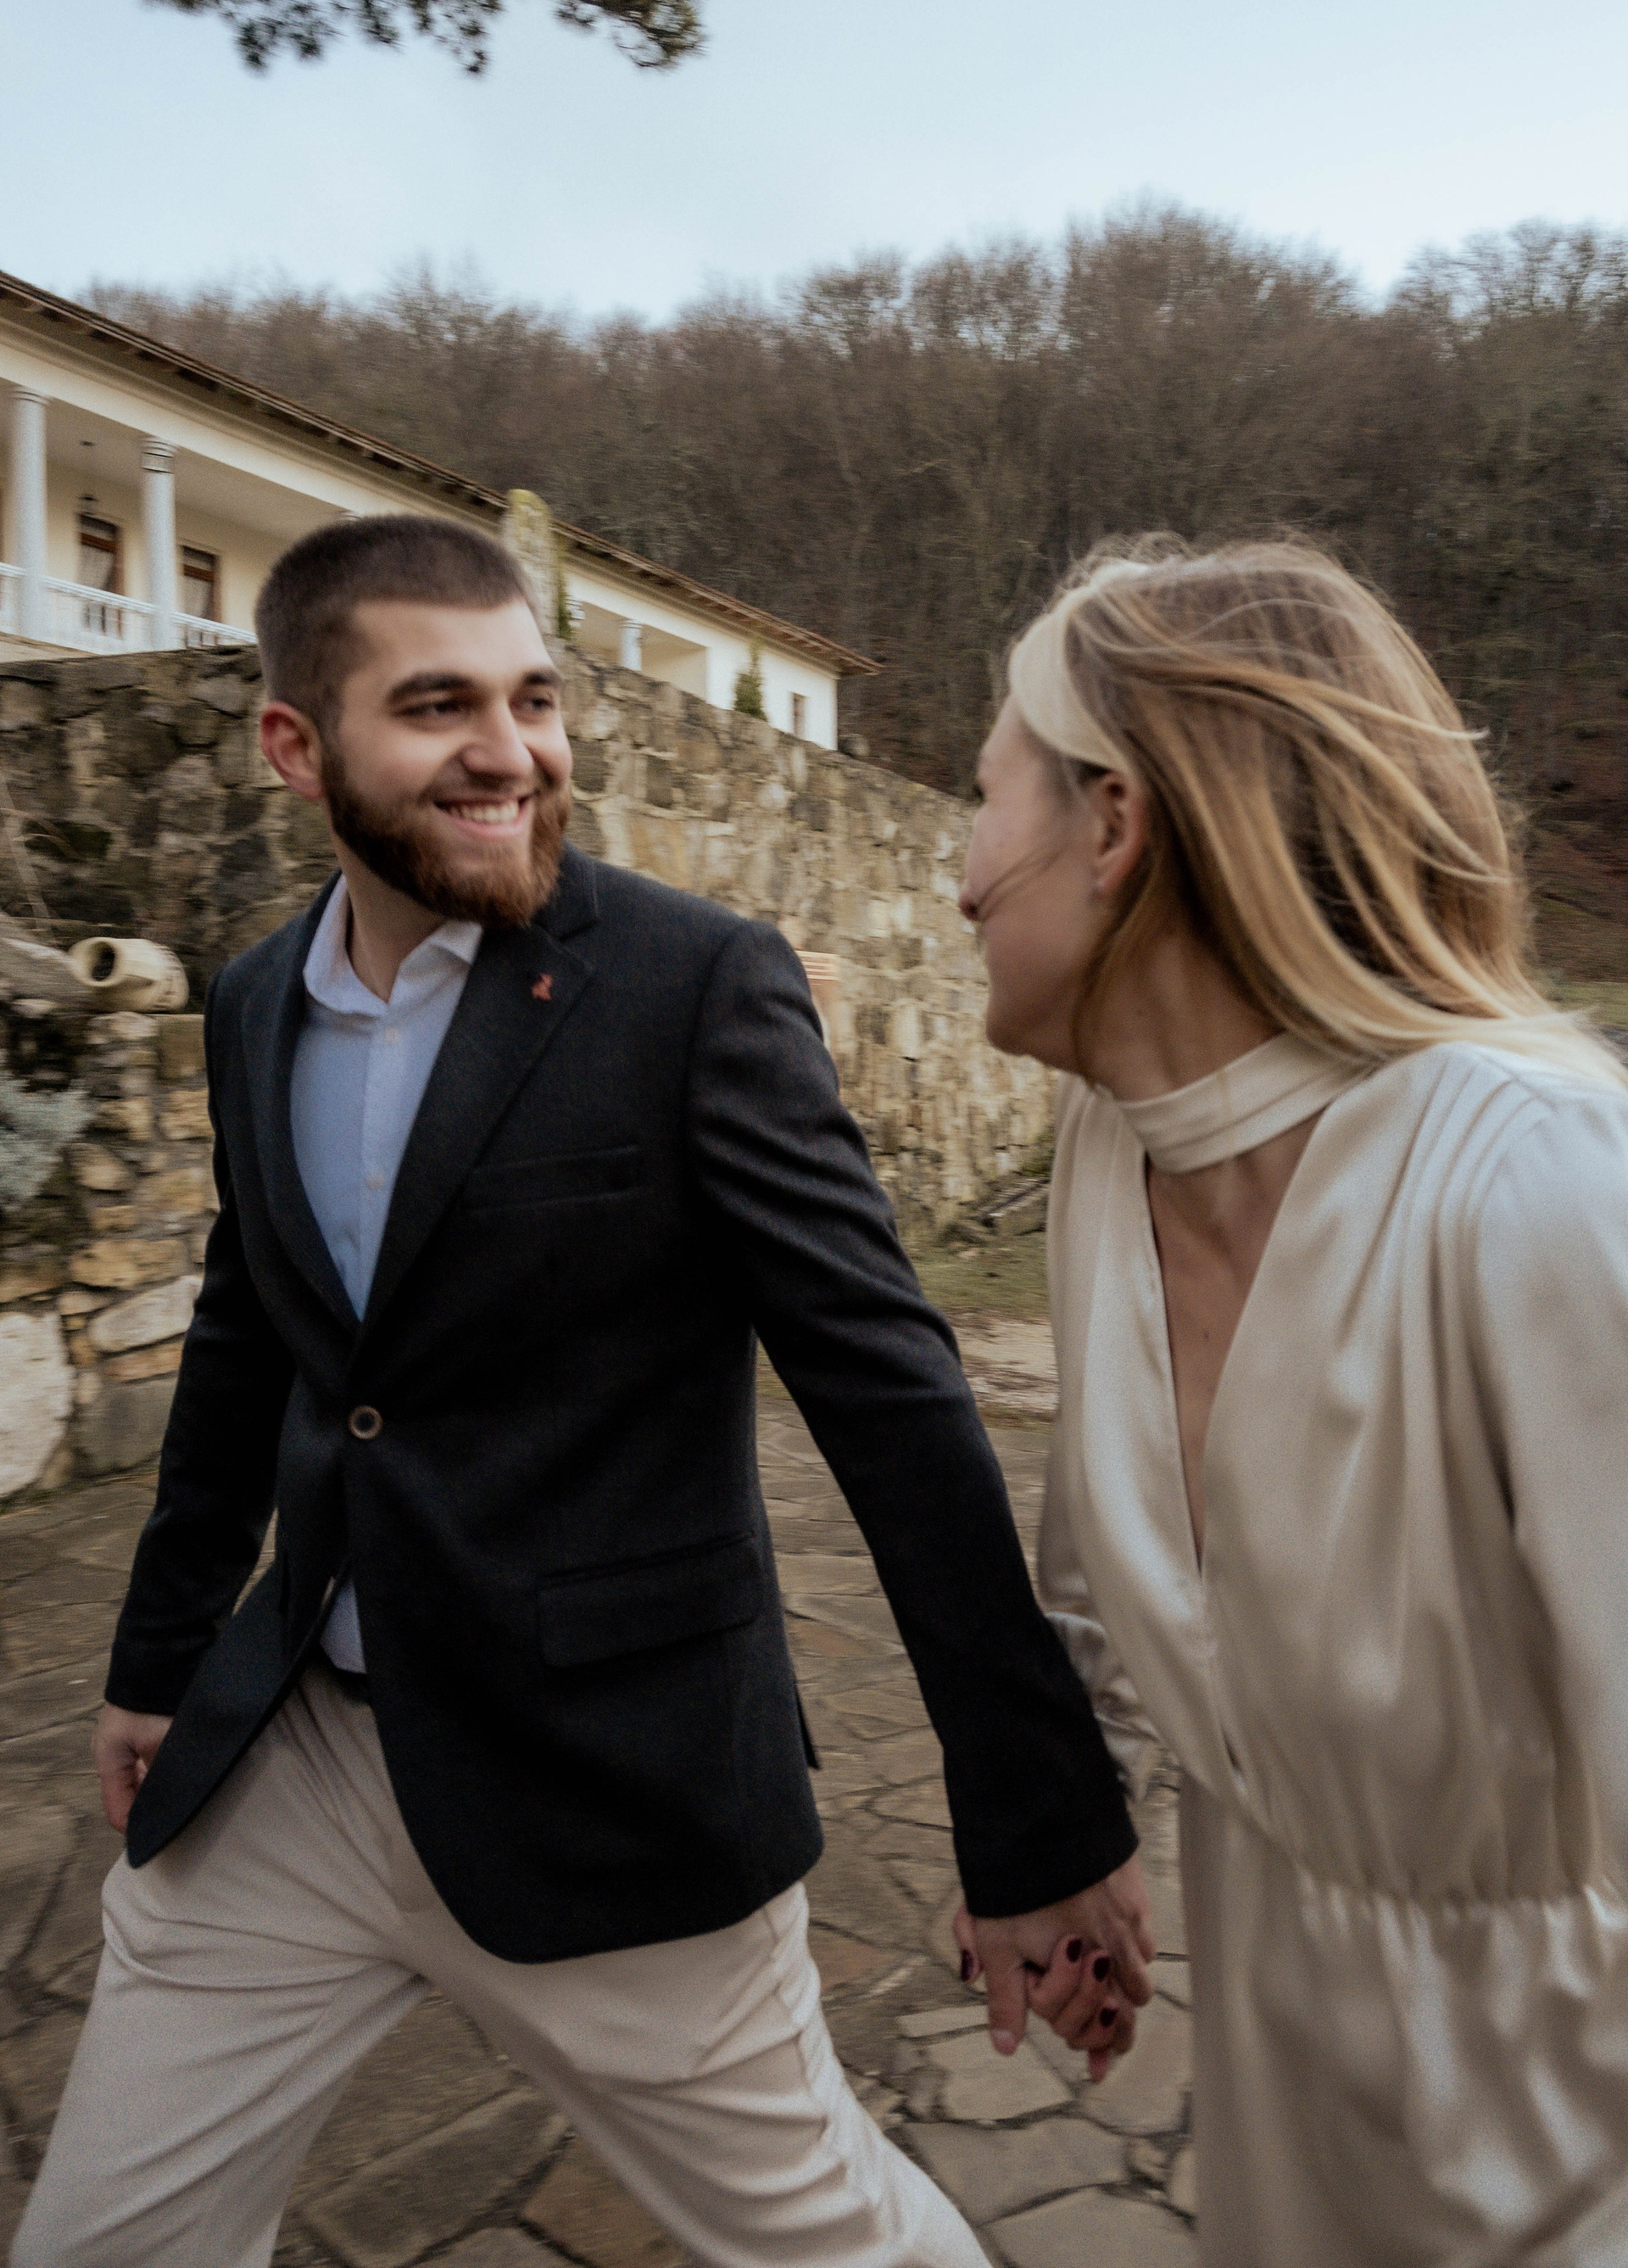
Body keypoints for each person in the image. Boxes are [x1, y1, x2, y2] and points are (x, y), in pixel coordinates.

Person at [14, 513, 1153, 2268]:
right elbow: (249, 1339)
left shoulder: (693, 987)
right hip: (295, 1771)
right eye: (439, 705)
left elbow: (893, 1399)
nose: (512, 751)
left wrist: (1037, 1813)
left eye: (534, 699)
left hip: (615, 1788)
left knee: (826, 2239)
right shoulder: (251, 1007)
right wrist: (159, 1656)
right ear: (295, 748)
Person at [956, 536, 1628, 2266]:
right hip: (1277, 2117)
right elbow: (1095, 1576)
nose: (958, 873)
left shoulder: (1536, 1187)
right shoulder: (1109, 1153)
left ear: (1113, 826)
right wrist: (1065, 1834)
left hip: (1570, 2145)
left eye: (985, 796)